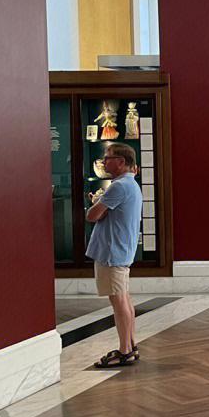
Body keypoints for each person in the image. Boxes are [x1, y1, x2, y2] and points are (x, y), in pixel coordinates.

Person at [86, 143, 143, 368]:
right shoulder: (130, 184)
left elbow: (92, 216)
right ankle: (130, 345)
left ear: (121, 161)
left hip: (112, 252)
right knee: (124, 299)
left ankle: (124, 350)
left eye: (108, 157)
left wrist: (96, 205)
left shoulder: (118, 186)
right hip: (119, 249)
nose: (104, 161)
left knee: (119, 301)